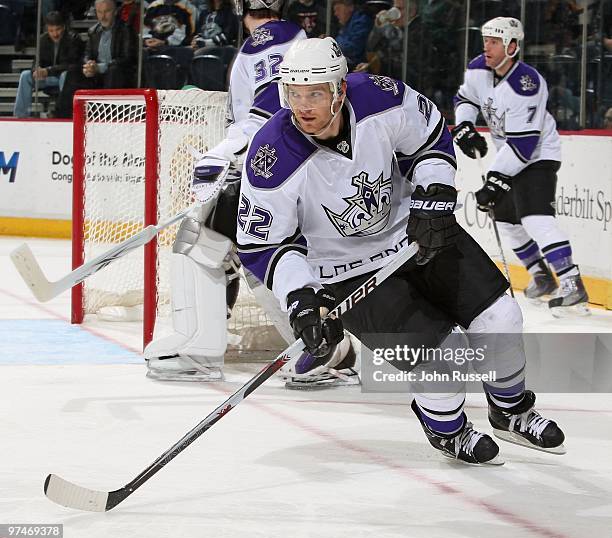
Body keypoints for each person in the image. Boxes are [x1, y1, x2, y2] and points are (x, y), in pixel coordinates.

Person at [236, 36, 566, 464]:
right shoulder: (271, 155)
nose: (303, 107)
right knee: (441, 362)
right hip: (345, 272)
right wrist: (300, 300)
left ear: (340, 88)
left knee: (500, 318)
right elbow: (264, 245)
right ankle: (448, 430)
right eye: (294, 94)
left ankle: (511, 410)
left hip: (414, 233)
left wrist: (434, 193)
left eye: (315, 93)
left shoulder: (380, 97)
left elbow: (429, 139)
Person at [144, 0, 325, 383]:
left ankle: (200, 347)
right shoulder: (296, 37)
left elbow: (270, 108)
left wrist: (223, 153)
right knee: (244, 248)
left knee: (204, 241)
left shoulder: (271, 36)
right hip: (286, 163)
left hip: (278, 163)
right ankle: (319, 349)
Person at [452, 17, 589, 315]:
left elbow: (525, 144)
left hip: (538, 156)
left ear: (512, 46)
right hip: (510, 156)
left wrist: (495, 179)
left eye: (494, 41)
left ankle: (571, 282)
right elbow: (465, 98)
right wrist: (464, 125)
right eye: (485, 40)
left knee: (535, 219)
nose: (487, 46)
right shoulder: (478, 67)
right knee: (506, 222)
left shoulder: (527, 84)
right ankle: (541, 275)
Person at [55, 0, 137, 118]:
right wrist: (88, 64)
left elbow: (128, 58)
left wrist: (101, 67)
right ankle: (63, 117)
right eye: (99, 12)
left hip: (118, 74)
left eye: (107, 11)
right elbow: (87, 54)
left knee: (114, 70)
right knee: (73, 72)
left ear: (115, 11)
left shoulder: (126, 30)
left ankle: (107, 116)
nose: (103, 16)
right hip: (97, 74)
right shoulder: (93, 31)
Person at [13, 11, 83, 118]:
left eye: (58, 29)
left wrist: (48, 71)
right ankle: (20, 115)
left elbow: (72, 65)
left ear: (64, 27)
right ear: (47, 29)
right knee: (25, 75)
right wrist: (37, 70)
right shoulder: (43, 39)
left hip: (63, 77)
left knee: (66, 76)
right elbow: (36, 62)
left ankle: (63, 114)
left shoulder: (74, 39)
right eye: (51, 30)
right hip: (47, 77)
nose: (55, 34)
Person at [332, 0, 374, 70]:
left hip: (360, 67)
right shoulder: (346, 23)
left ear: (350, 7)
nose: (335, 14)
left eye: (338, 9)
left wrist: (333, 43)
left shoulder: (362, 21)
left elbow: (353, 48)